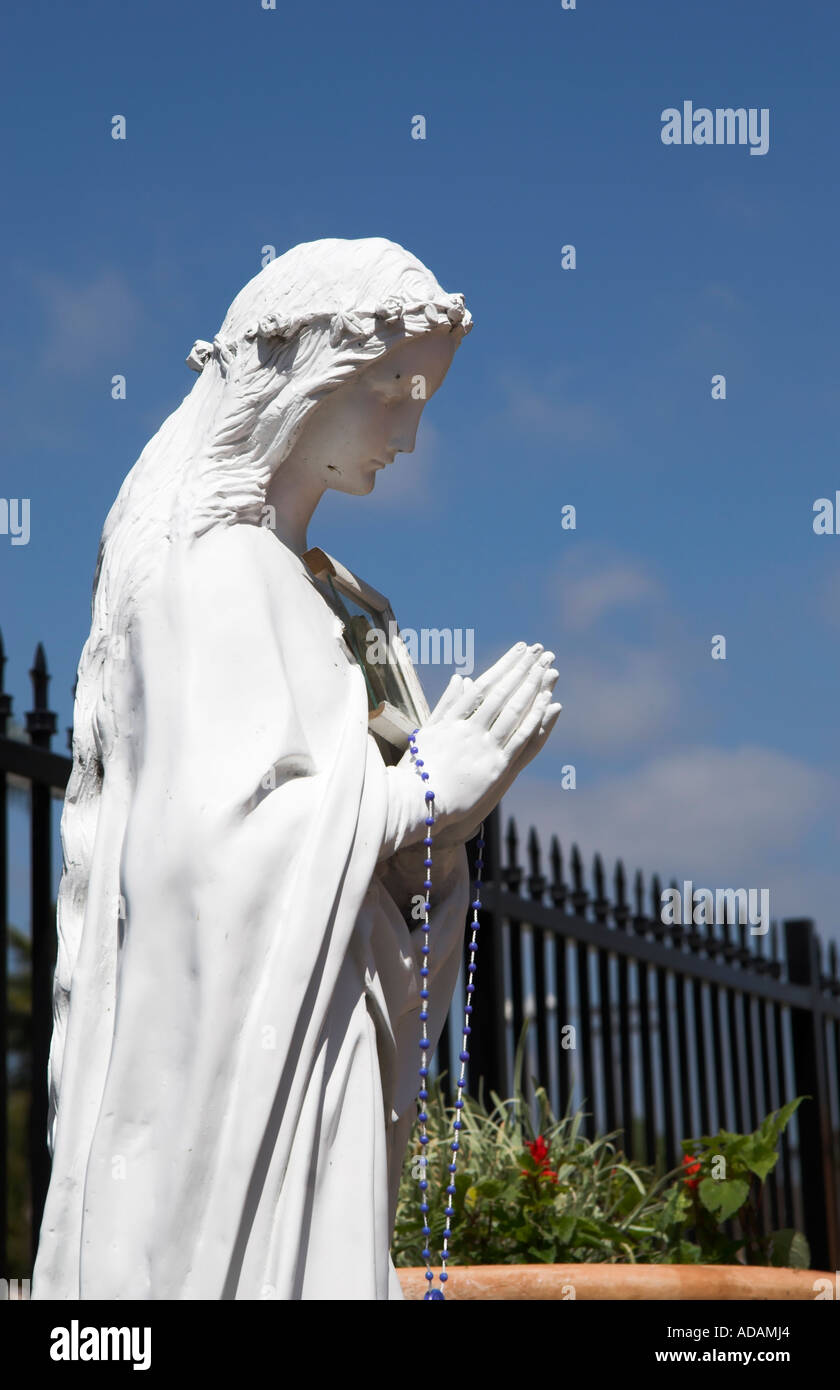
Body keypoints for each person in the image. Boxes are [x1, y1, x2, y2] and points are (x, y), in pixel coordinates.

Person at [32, 237, 560, 1300]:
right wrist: (423, 790)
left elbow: (360, 854)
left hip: (326, 1064)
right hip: (255, 1098)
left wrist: (441, 830)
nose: (410, 434)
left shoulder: (337, 600)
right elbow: (202, 859)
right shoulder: (216, 571)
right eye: (391, 392)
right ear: (303, 377)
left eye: (425, 401)